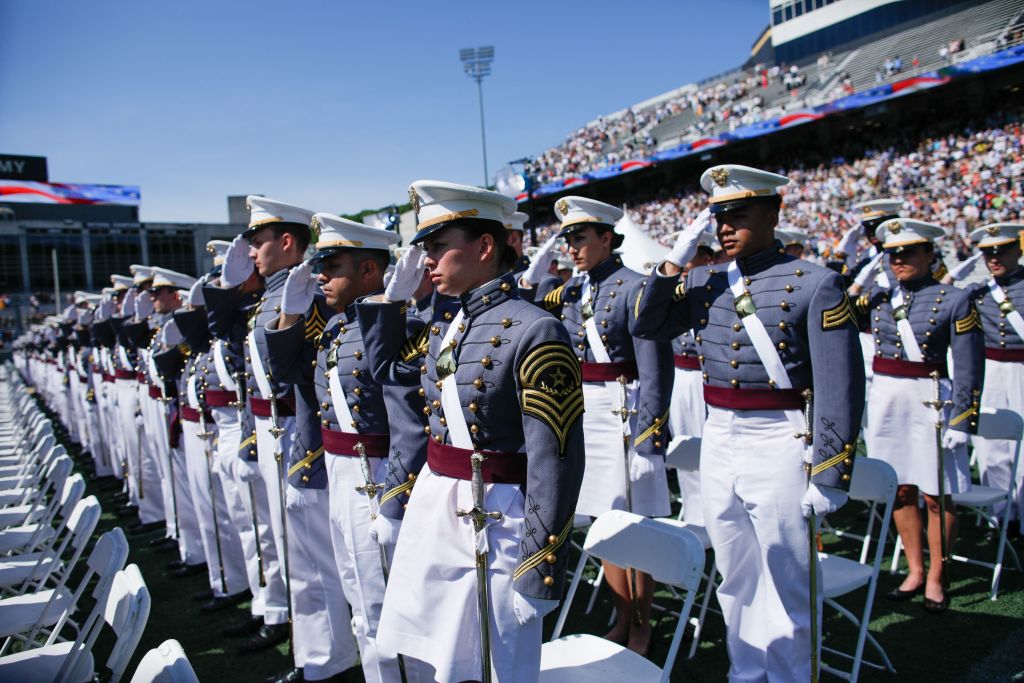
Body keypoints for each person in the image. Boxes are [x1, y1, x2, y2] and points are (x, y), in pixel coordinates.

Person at [630, 164, 864, 680]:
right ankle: (745, 670)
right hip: (719, 434)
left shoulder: (815, 283)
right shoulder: (705, 280)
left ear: (772, 213)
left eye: (738, 215)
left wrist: (830, 470)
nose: (725, 227)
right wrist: (672, 262)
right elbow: (646, 324)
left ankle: (789, 675)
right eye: (718, 218)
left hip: (780, 435)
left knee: (786, 573)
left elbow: (839, 383)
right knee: (735, 570)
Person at [357, 180, 585, 682]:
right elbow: (388, 370)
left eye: (438, 246)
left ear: (485, 247)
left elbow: (557, 458)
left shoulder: (536, 328)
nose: (427, 261)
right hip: (438, 505)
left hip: (497, 519)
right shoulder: (448, 324)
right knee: (442, 659)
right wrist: (389, 302)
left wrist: (540, 563)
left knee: (495, 663)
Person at [264, 212, 428, 683]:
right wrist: (290, 315)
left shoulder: (401, 327)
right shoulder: (337, 329)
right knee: (358, 594)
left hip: (374, 473)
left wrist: (394, 497)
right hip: (340, 472)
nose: (321, 277)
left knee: (381, 599)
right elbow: (289, 378)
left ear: (369, 272)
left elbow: (409, 424)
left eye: (333, 267)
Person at [207, 197, 358, 682]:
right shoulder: (267, 297)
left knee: (317, 556)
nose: (251, 251)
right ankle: (313, 652)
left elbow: (305, 375)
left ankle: (329, 657)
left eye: (257, 241)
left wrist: (307, 447)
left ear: (286, 242)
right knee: (298, 551)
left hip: (301, 428)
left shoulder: (307, 295)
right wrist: (228, 291)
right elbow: (227, 348)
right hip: (274, 428)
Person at [521, 196, 673, 655]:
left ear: (607, 237)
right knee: (605, 525)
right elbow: (524, 298)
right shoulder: (573, 290)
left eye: (579, 237)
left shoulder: (636, 287)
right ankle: (622, 615)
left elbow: (655, 370)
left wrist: (650, 440)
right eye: (567, 238)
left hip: (621, 411)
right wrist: (537, 264)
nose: (572, 246)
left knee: (633, 527)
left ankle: (642, 625)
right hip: (584, 408)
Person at [857, 218, 983, 613]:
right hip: (888, 399)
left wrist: (963, 419)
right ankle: (913, 568)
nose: (900, 260)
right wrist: (863, 273)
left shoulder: (954, 299)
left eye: (909, 252)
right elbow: (839, 301)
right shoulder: (878, 298)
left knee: (936, 495)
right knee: (901, 489)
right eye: (893, 254)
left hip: (930, 399)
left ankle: (937, 575)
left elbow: (968, 365)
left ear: (930, 255)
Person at [966, 223, 1024, 540]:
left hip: (1021, 370)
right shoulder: (979, 292)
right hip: (990, 370)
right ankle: (1002, 516)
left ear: (1018, 249)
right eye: (988, 253)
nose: (994, 258)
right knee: (991, 447)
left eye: (1001, 251)